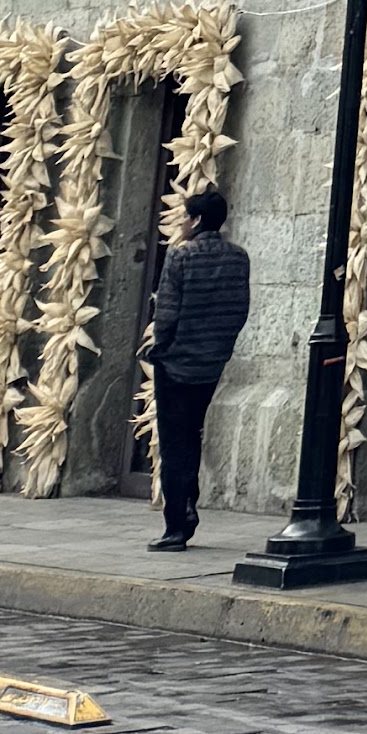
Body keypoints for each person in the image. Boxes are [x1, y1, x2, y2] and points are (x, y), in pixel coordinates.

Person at [144, 182, 250, 548]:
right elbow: (240, 311)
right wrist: (220, 348)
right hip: (211, 362)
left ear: (198, 219)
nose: (182, 222)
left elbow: (167, 314)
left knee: (176, 441)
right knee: (192, 432)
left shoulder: (181, 256)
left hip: (176, 363)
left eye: (186, 216)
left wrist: (162, 349)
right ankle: (188, 503)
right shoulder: (238, 258)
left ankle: (177, 522)